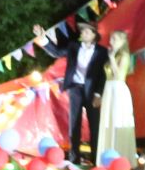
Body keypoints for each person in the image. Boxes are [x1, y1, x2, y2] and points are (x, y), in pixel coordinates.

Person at [35, 19, 107, 161]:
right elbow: (56, 52)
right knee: (74, 124)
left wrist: (99, 94)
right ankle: (74, 158)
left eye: (87, 31)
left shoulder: (102, 51)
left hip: (92, 91)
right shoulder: (74, 46)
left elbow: (102, 75)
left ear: (94, 35)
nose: (83, 33)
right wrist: (43, 38)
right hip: (75, 88)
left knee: (94, 124)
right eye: (83, 31)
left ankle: (96, 159)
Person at [96, 29, 136, 165]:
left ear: (123, 41)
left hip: (118, 90)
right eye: (111, 38)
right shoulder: (112, 53)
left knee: (117, 121)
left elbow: (119, 75)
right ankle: (107, 157)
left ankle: (120, 158)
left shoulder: (124, 55)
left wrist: (112, 59)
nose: (111, 41)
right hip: (109, 89)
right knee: (107, 121)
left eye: (115, 39)